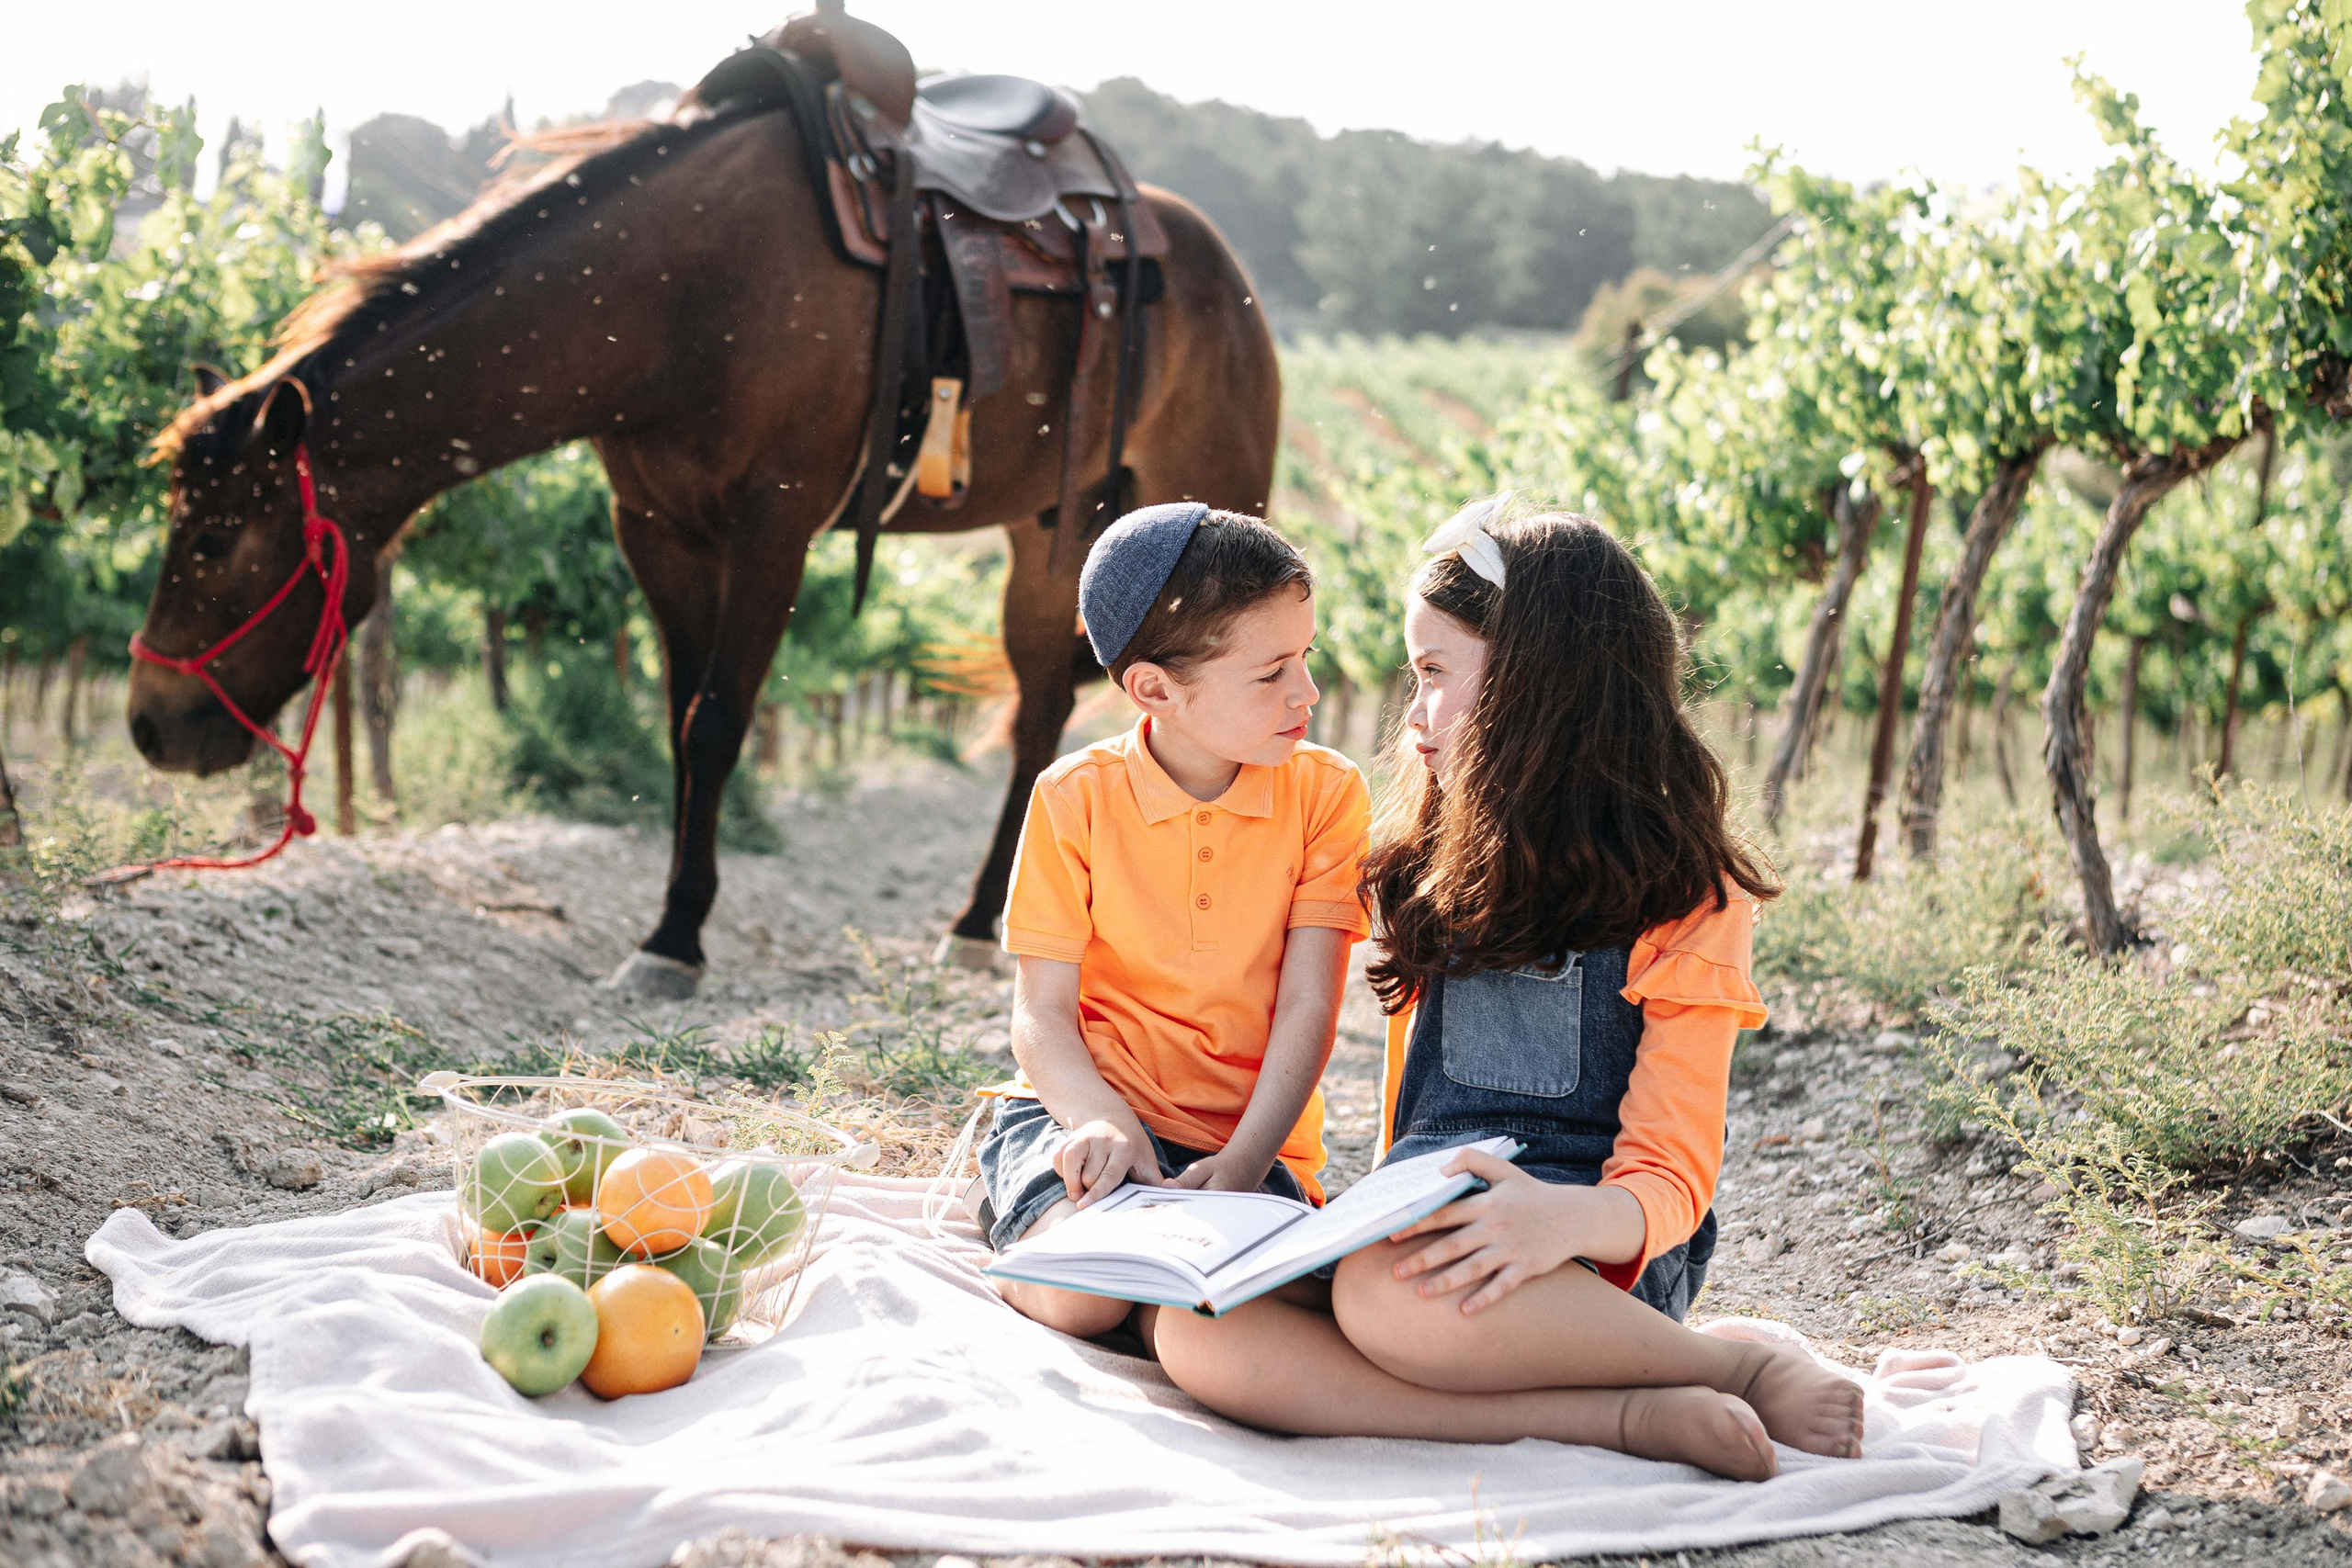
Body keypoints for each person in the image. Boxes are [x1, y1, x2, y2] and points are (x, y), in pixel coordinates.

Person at [1144, 499, 1866, 1482]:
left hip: (1589, 1258)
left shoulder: (1685, 895)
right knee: (1197, 1328)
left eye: (1435, 674)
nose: (1413, 712)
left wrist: (1562, 1222)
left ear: (1543, 683)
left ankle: (1733, 1368)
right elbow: (1412, 1133)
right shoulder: (1425, 866)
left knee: (1390, 1297)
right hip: (1422, 1238)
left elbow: (1672, 1174)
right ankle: (1621, 1418)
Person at [973, 502, 1371, 1339]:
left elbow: (1310, 1004)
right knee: (1087, 1298)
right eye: (1271, 673)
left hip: (1249, 1142)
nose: (1307, 692)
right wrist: (1104, 1121)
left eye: (1305, 657)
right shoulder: (1073, 799)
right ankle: (1023, 1232)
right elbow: (1040, 1014)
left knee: (1212, 1315)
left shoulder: (1327, 794)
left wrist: (1246, 1162)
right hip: (1087, 1114)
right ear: (1155, 689)